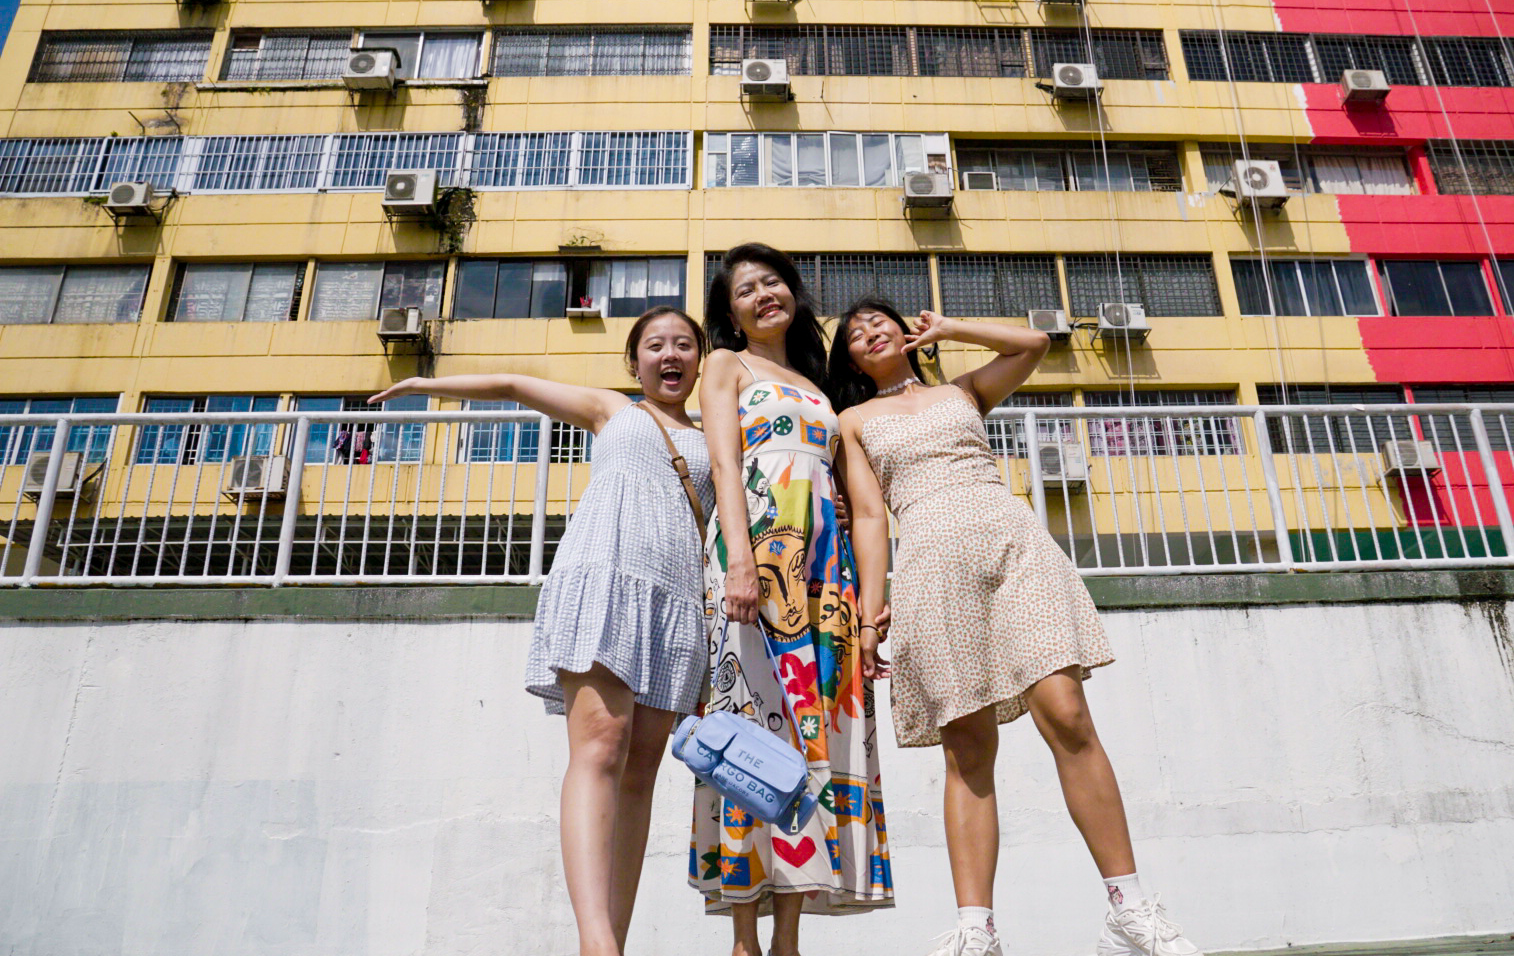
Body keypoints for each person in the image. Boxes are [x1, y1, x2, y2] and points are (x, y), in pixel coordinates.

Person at [828, 300, 1204, 956]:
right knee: (967, 749)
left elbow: (1032, 344)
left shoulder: (962, 389)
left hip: (1013, 546)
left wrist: (951, 328)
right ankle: (978, 929)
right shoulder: (852, 421)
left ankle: (1130, 905)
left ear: (908, 333)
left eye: (878, 322)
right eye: (855, 335)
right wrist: (868, 611)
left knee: (1068, 715)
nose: (869, 332)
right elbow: (867, 517)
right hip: (930, 565)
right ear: (852, 360)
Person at [369, 307, 712, 956]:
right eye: (656, 346)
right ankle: (595, 942)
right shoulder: (613, 410)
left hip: (676, 605)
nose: (671, 356)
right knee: (602, 748)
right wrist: (422, 385)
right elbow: (512, 385)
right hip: (606, 578)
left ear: (701, 359)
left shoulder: (713, 435)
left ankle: (615, 937)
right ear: (634, 361)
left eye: (685, 346)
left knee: (641, 773)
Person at [690, 244, 894, 956]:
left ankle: (787, 940)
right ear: (731, 310)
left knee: (811, 734)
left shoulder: (815, 381)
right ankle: (745, 938)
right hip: (757, 558)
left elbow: (857, 496)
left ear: (794, 294)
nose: (763, 294)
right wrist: (740, 563)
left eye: (772, 281)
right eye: (746, 289)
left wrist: (869, 604)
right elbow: (724, 463)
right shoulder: (726, 365)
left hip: (823, 571)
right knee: (751, 730)